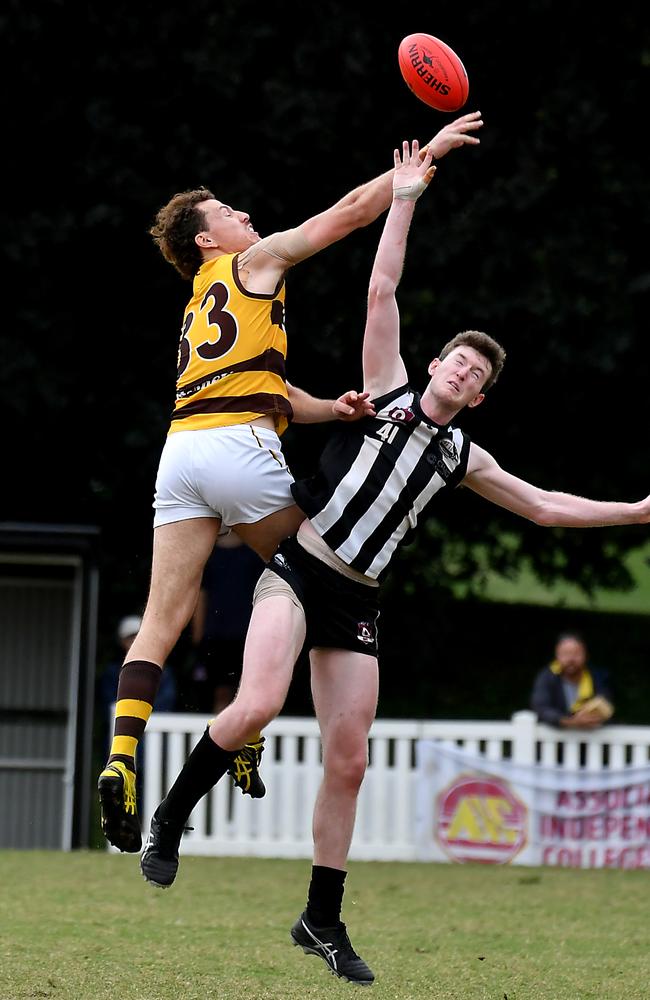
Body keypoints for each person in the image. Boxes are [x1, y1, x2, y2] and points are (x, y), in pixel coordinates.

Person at [139, 137, 650, 984]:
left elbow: (548, 506)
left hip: (360, 602)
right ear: (438, 363)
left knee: (350, 760)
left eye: (476, 372)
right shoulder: (386, 390)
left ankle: (321, 919)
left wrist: (634, 511)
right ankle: (169, 817)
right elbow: (382, 287)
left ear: (480, 395)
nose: (461, 371)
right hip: (301, 569)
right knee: (258, 704)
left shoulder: (464, 457)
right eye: (456, 357)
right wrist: (405, 196)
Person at [97, 111, 484, 855]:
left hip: (182, 453)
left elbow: (262, 390)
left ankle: (120, 756)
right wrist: (416, 170)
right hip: (241, 453)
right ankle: (248, 725)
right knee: (316, 573)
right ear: (208, 240)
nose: (245, 214)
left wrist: (327, 406)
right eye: (228, 213)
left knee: (160, 619)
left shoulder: (201, 296)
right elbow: (341, 217)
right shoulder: (257, 259)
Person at [530, 631, 614, 728]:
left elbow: (605, 701)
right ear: (557, 655)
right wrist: (569, 721)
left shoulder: (597, 677)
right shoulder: (547, 677)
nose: (571, 659)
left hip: (591, 739)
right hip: (556, 739)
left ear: (585, 655)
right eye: (565, 654)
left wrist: (593, 716)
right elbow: (541, 708)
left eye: (576, 653)